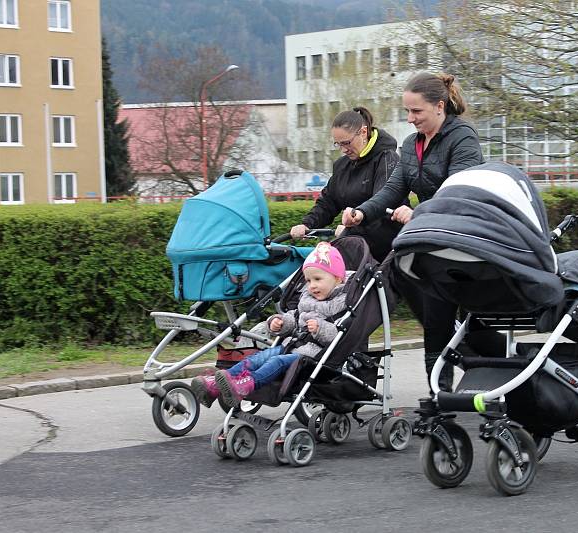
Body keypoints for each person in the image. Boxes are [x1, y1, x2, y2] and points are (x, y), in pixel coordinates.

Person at [341, 72, 484, 392]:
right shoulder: (411, 145)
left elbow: (459, 192)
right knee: (434, 317)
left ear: (439, 106)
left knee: (474, 327)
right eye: (407, 111)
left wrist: (418, 211)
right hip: (433, 242)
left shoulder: (463, 138)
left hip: (465, 238)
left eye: (416, 111)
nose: (410, 119)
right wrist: (362, 211)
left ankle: (492, 368)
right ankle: (441, 394)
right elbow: (392, 190)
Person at [190, 242, 348, 407]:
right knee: (255, 358)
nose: (312, 285)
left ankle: (246, 385)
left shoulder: (341, 303)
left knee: (276, 362)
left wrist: (320, 328)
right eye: (308, 280)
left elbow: (341, 334)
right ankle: (216, 385)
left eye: (317, 279)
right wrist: (279, 323)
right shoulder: (308, 298)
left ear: (337, 278)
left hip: (313, 355)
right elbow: (294, 318)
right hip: (292, 345)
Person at [289, 107, 403, 262]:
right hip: (356, 249)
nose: (343, 150)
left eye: (346, 143)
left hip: (388, 251)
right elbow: (328, 202)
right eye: (338, 144)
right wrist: (306, 224)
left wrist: (352, 231)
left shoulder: (387, 159)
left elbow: (382, 205)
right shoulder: (342, 165)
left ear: (363, 132)